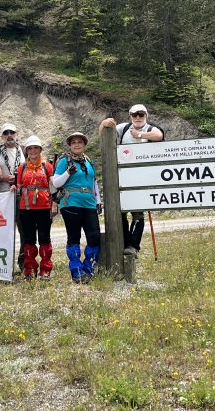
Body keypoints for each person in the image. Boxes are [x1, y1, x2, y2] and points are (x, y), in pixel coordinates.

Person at [101, 104, 164, 274]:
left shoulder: (150, 128)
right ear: (130, 115)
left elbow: (159, 135)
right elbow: (104, 132)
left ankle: (133, 246)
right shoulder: (124, 128)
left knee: (137, 214)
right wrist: (104, 123)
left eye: (141, 114)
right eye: (134, 114)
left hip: (141, 178)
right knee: (121, 213)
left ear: (146, 115)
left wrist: (140, 135)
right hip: (123, 178)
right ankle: (125, 243)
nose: (137, 117)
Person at [51, 131, 102, 283]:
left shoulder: (89, 161)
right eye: (74, 142)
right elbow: (56, 183)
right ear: (70, 145)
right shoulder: (64, 161)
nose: (77, 144)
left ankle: (88, 267)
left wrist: (98, 201)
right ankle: (76, 270)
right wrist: (68, 173)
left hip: (89, 203)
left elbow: (94, 183)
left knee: (94, 236)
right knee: (74, 236)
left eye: (80, 142)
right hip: (71, 202)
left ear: (84, 144)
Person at [15, 135, 55, 279]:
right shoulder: (21, 168)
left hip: (44, 207)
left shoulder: (47, 166)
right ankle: (30, 269)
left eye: (36, 148)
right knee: (29, 239)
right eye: (30, 148)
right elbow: (18, 187)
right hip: (26, 208)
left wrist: (54, 203)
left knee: (44, 238)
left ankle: (45, 269)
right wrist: (14, 188)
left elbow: (53, 187)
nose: (33, 151)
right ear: (26, 151)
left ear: (40, 149)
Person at [0, 122, 25, 272]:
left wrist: (19, 181)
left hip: (22, 195)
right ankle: (4, 265)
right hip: (3, 196)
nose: (9, 135)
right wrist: (6, 178)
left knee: (24, 230)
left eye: (12, 132)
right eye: (6, 133)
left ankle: (23, 262)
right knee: (4, 231)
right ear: (2, 136)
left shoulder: (24, 150)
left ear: (16, 134)